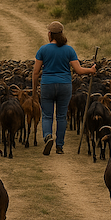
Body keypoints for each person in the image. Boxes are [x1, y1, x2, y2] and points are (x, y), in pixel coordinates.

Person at [32, 21, 96, 155]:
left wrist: (34, 90)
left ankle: (48, 136)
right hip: (65, 85)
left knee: (47, 115)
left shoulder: (43, 50)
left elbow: (36, 72)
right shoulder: (69, 50)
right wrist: (90, 70)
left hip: (47, 85)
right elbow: (78, 70)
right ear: (61, 34)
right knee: (61, 116)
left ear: (50, 34)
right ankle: (59, 146)